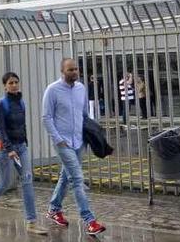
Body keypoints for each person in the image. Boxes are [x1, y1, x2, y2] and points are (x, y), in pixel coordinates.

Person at [0, 72, 48, 235]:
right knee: (4, 183)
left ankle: (31, 222)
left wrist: (24, 143)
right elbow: (1, 128)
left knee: (27, 182)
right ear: (5, 86)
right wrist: (9, 150)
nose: (14, 85)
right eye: (11, 83)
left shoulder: (21, 102)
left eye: (16, 82)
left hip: (21, 147)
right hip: (6, 150)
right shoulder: (2, 104)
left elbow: (22, 126)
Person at [42, 58, 106, 235]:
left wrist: (92, 135)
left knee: (65, 177)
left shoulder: (81, 88)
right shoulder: (52, 90)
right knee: (77, 179)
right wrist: (57, 139)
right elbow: (46, 118)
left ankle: (54, 209)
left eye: (76, 69)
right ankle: (89, 220)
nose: (74, 72)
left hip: (79, 141)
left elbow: (84, 114)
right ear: (62, 72)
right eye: (70, 70)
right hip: (63, 143)